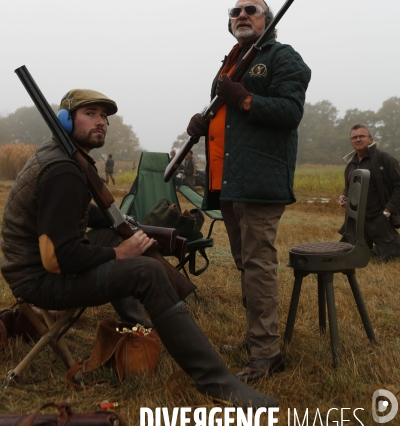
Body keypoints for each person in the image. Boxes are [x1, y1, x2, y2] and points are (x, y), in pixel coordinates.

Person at [0, 88, 277, 408]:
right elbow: (58, 257)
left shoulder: (61, 157)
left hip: (36, 268)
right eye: (90, 114)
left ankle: (142, 326)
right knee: (146, 271)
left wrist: (113, 223)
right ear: (64, 120)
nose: (101, 122)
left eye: (104, 116)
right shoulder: (63, 170)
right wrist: (120, 253)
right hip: (40, 280)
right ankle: (217, 382)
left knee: (116, 236)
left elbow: (64, 216)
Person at [187, 0, 311, 381]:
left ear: (266, 20)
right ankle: (256, 336)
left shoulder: (281, 56)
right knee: (246, 263)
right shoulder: (231, 62)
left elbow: (290, 112)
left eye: (250, 10)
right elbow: (226, 119)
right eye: (235, 11)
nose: (241, 14)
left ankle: (267, 352)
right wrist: (203, 124)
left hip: (259, 180)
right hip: (228, 181)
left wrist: (244, 100)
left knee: (258, 265)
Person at [339, 124, 400, 261]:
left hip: (379, 216)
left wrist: (388, 210)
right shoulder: (351, 164)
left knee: (393, 255)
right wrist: (344, 195)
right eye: (354, 137)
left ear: (371, 140)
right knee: (347, 253)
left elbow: (398, 185)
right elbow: (348, 187)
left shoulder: (384, 159)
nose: (358, 139)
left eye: (362, 136)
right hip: (357, 219)